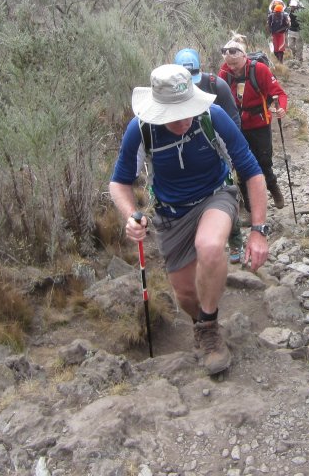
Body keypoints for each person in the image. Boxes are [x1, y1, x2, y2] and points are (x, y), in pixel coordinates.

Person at [109, 64, 270, 375]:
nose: (184, 119)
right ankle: (203, 324)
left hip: (215, 195)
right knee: (185, 293)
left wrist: (258, 231)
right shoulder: (141, 130)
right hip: (171, 213)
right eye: (174, 113)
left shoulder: (212, 117)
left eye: (187, 110)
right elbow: (119, 182)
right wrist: (131, 216)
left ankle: (209, 332)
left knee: (209, 246)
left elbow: (251, 170)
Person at [174, 47, 245, 262]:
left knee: (225, 192)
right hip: (185, 151)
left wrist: (232, 153)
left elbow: (234, 119)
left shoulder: (216, 85)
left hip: (218, 148)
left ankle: (235, 242)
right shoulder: (171, 91)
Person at [218, 35, 288, 210]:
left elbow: (278, 94)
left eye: (235, 64)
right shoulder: (224, 73)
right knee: (241, 165)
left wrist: (281, 108)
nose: (232, 68)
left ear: (244, 57)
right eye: (229, 64)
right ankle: (250, 207)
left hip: (260, 123)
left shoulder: (260, 70)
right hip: (236, 126)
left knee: (264, 162)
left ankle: (274, 188)